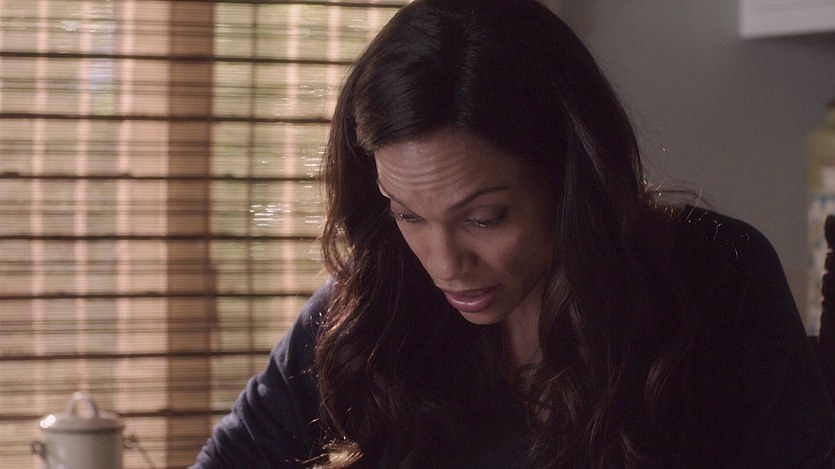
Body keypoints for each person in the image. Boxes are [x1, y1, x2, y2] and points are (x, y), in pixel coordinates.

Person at [192, 0, 835, 467]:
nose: (445, 264)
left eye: (484, 218)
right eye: (408, 214)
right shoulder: (375, 301)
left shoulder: (717, 280)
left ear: (573, 179)